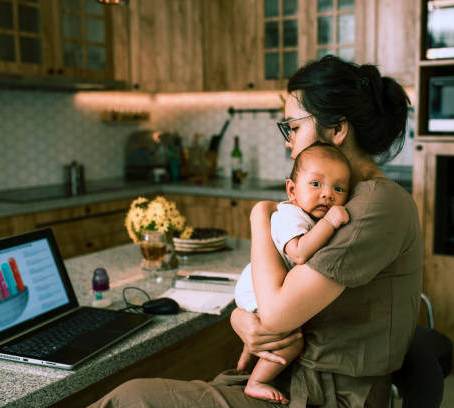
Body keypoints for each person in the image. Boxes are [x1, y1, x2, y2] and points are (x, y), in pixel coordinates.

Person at [88, 54, 422, 408]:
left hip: (329, 397)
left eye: (293, 127)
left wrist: (260, 217)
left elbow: (277, 312)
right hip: (297, 379)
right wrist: (240, 317)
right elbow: (281, 291)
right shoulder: (341, 199)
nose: (287, 142)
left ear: (338, 130)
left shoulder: (373, 206)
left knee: (131, 399)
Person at [234, 142, 352, 404]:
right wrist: (331, 222)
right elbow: (298, 252)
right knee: (291, 340)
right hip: (255, 288)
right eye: (316, 184)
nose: (328, 194)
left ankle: (247, 362)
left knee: (270, 334)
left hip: (262, 284)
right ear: (292, 190)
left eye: (339, 188)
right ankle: (257, 381)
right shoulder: (291, 215)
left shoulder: (306, 216)